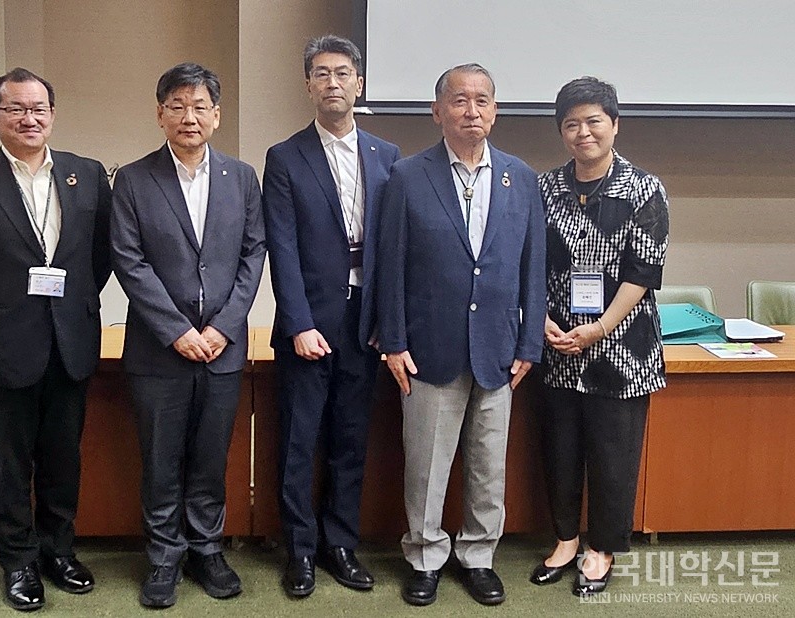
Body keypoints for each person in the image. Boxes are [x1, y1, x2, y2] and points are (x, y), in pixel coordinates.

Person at [0, 67, 111, 611]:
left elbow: (99, 258)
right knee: (9, 463)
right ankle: (17, 562)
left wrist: (73, 307)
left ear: (52, 115)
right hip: (2, 348)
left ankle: (58, 551)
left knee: (63, 457)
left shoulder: (87, 174)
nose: (29, 118)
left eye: (39, 109)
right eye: (15, 109)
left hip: (70, 341)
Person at [376, 63, 546, 607]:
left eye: (482, 101)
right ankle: (425, 556)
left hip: (499, 349)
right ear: (437, 111)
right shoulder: (408, 176)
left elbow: (533, 268)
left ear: (495, 110)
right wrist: (393, 341)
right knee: (426, 465)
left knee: (488, 465)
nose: (471, 111)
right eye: (459, 100)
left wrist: (530, 343)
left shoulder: (521, 178)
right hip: (428, 349)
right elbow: (390, 265)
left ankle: (478, 555)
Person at [110, 63, 266, 609]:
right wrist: (177, 330)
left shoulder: (241, 178)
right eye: (177, 106)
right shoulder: (133, 179)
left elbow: (253, 254)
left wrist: (224, 327)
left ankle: (207, 549)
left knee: (209, 458)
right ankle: (163, 557)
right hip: (158, 351)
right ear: (160, 114)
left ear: (217, 116)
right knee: (160, 460)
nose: (189, 116)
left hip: (223, 350)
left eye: (200, 106)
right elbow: (128, 259)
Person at [262, 34, 400, 598]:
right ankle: (298, 549)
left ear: (359, 84)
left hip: (365, 320)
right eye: (321, 74)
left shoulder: (387, 156)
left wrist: (387, 322)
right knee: (299, 440)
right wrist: (298, 323)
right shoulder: (284, 157)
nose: (333, 83)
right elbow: (281, 247)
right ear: (308, 86)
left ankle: (340, 544)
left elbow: (393, 248)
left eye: (343, 73)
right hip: (310, 322)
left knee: (350, 438)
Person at [531, 77, 669, 596]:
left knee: (613, 455)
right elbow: (527, 262)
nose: (583, 132)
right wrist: (539, 318)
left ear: (615, 125)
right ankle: (566, 539)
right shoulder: (543, 188)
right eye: (571, 124)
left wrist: (600, 328)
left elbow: (643, 272)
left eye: (593, 121)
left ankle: (601, 548)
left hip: (622, 348)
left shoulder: (643, 189)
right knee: (560, 449)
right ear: (561, 132)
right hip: (557, 344)